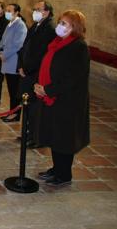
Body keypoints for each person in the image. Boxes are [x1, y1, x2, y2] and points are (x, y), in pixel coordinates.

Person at [34, 10, 90, 187]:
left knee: (65, 138)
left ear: (75, 27)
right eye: (60, 22)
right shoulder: (58, 43)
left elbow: (72, 78)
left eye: (64, 23)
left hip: (68, 101)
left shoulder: (78, 47)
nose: (60, 26)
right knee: (55, 135)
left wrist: (48, 90)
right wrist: (40, 85)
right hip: (53, 97)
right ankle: (56, 168)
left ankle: (64, 174)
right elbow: (48, 66)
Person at [18, 0, 56, 147]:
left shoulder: (49, 28)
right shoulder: (36, 25)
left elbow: (41, 54)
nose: (35, 12)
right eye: (34, 9)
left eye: (38, 9)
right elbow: (26, 46)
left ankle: (37, 138)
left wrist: (27, 69)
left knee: (36, 108)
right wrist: (21, 65)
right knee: (29, 104)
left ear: (46, 12)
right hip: (27, 71)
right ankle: (28, 132)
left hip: (37, 73)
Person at [0, 4, 27, 122]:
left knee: (15, 90)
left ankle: (15, 114)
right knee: (10, 89)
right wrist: (0, 51)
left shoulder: (20, 26)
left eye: (9, 11)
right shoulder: (10, 24)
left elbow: (17, 44)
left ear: (17, 12)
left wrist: (4, 55)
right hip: (6, 60)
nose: (7, 13)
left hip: (13, 61)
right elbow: (2, 40)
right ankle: (12, 112)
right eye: (6, 11)